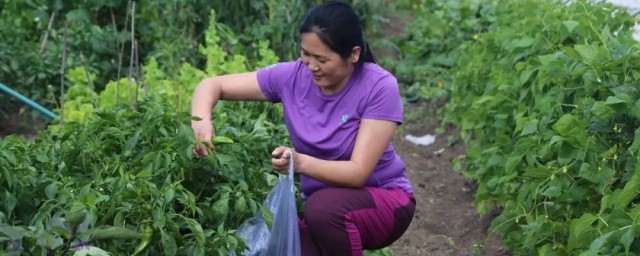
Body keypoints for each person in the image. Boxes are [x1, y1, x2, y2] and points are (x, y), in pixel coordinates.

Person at [191, 1, 415, 255]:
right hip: (322, 209)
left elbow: (357, 173)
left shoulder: (378, 86)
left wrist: (299, 163)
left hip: (384, 201)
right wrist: (201, 123)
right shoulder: (293, 77)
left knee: (323, 209)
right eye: (306, 54)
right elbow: (211, 85)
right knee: (283, 241)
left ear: (353, 54)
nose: (311, 66)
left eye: (322, 59)